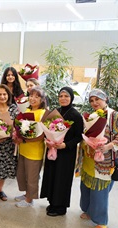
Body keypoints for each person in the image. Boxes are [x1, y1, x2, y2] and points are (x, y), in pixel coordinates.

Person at [78, 89, 118, 228]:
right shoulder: (91, 115)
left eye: (97, 99)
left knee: (100, 192)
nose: (94, 103)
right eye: (91, 100)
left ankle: (101, 222)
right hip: (89, 159)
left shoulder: (115, 116)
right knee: (86, 187)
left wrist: (108, 146)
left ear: (105, 99)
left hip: (105, 161)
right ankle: (89, 211)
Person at [40, 87, 84, 216]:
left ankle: (61, 207)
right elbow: (47, 129)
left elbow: (79, 136)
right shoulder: (55, 112)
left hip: (66, 153)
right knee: (52, 175)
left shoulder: (76, 115)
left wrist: (65, 145)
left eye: (66, 96)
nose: (63, 99)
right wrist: (47, 140)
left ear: (71, 98)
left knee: (62, 178)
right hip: (53, 150)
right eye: (61, 96)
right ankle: (52, 202)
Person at [15, 86, 47, 207]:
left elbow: (42, 134)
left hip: (34, 151)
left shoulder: (43, 113)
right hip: (23, 149)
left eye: (37, 96)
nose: (33, 98)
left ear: (42, 99)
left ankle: (29, 200)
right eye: (31, 95)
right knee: (22, 174)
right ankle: (26, 194)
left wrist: (24, 139)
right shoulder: (25, 111)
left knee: (32, 177)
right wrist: (17, 136)